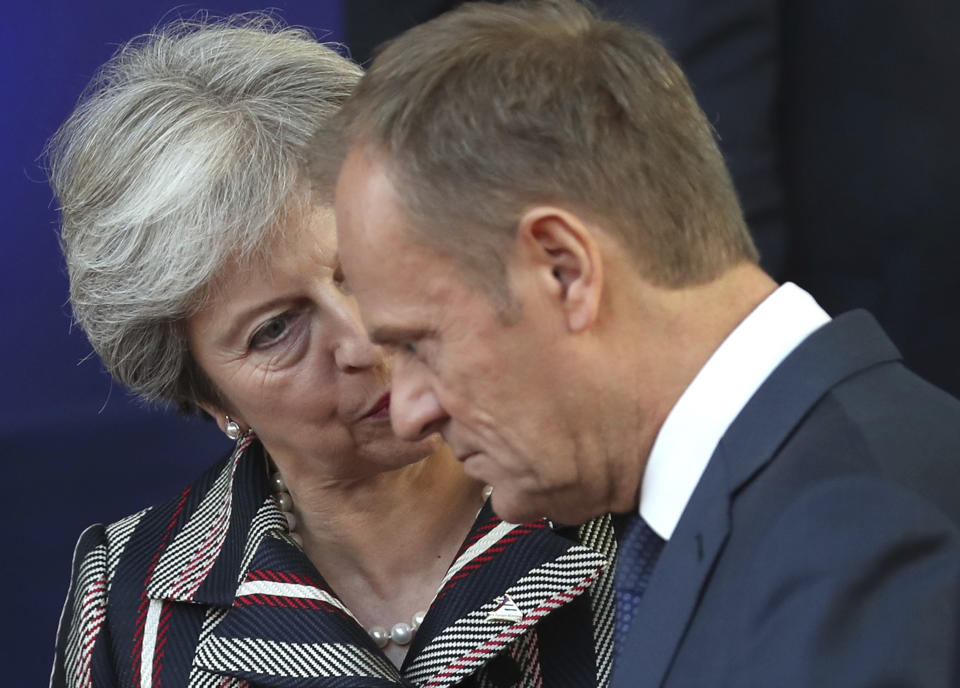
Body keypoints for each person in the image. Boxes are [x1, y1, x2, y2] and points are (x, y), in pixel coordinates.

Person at [330, 1, 960, 686]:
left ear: (563, 269)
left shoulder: (857, 555)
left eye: (420, 345)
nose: (408, 412)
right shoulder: (752, 510)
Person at [46, 16, 618, 688]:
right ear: (206, 394)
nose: (360, 340)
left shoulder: (609, 476)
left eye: (357, 268)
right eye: (275, 330)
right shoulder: (128, 599)